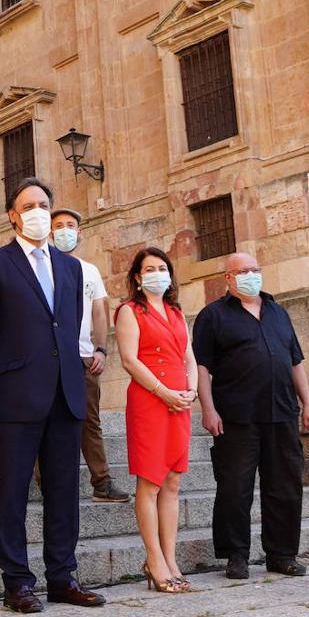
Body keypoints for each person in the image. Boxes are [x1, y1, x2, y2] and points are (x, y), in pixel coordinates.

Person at [0, 177, 105, 614]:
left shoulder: (71, 268)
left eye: (43, 203)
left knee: (64, 490)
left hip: (65, 394)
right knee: (12, 492)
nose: (37, 211)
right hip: (15, 397)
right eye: (27, 205)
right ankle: (16, 582)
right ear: (13, 214)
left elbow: (66, 329)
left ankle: (63, 576)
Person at [193, 252, 309, 581]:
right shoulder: (213, 316)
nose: (250, 275)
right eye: (242, 271)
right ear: (228, 278)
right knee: (235, 488)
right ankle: (236, 555)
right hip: (236, 416)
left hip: (281, 412)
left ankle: (282, 554)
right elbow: (203, 368)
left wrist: (308, 403)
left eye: (254, 270)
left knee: (286, 487)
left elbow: (295, 361)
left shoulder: (279, 312)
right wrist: (208, 409)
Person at [114, 247, 197, 593]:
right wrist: (164, 392)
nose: (157, 273)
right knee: (150, 481)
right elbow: (130, 361)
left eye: (162, 268)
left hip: (180, 402)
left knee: (173, 482)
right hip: (151, 400)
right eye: (149, 269)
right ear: (137, 276)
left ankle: (170, 558)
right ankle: (154, 558)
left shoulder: (177, 312)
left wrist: (190, 390)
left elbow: (189, 357)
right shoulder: (129, 311)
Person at [50, 208, 132, 504]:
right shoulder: (40, 266)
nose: (64, 230)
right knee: (46, 419)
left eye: (70, 225)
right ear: (49, 232)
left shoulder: (89, 270)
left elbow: (100, 310)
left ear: (79, 233)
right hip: (47, 358)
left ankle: (102, 481)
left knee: (89, 420)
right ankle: (47, 483)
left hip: (83, 356)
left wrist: (101, 348)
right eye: (58, 226)